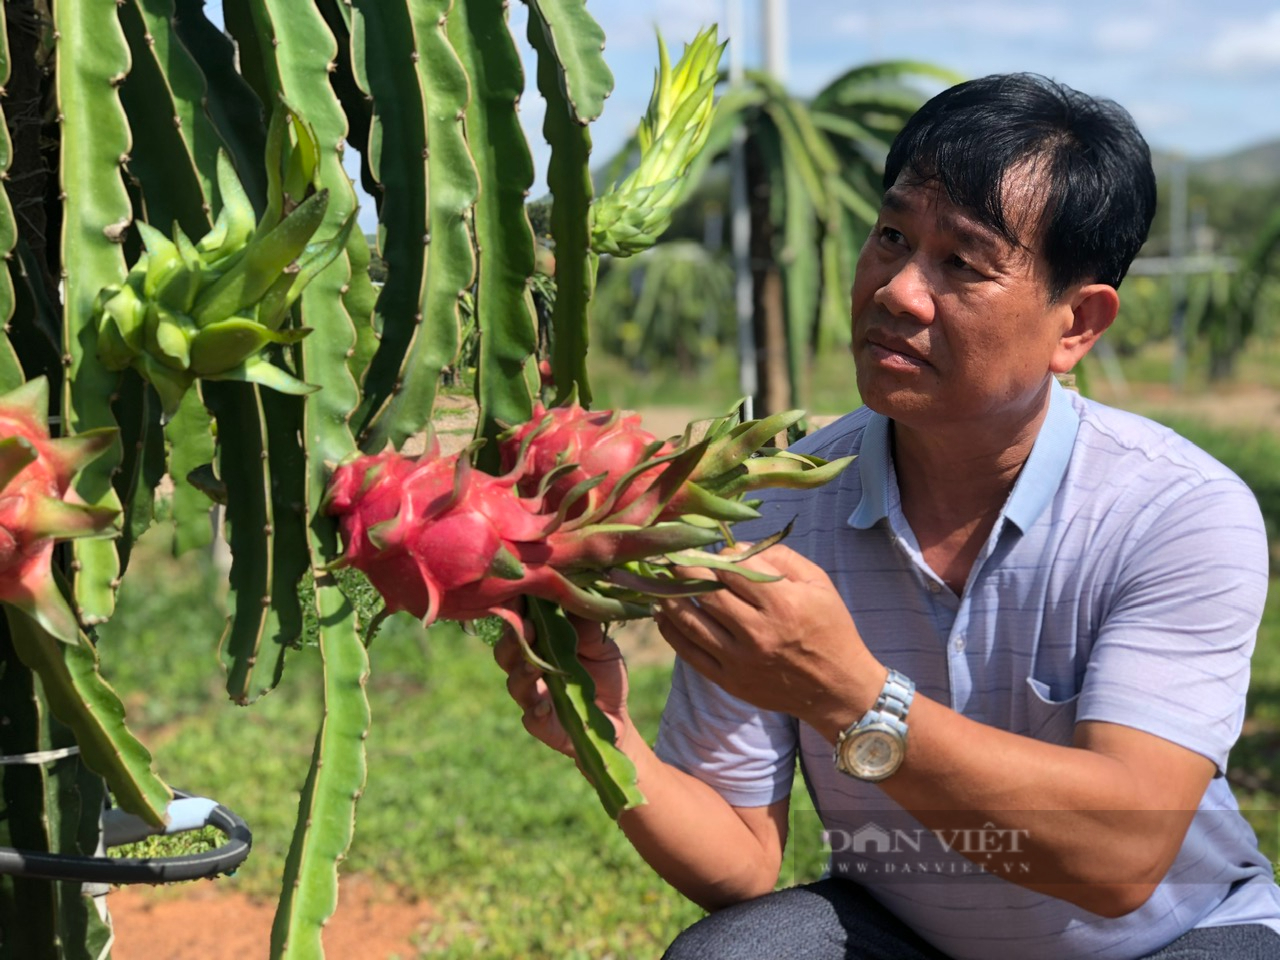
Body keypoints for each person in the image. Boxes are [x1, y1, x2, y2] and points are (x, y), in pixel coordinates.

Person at [495, 73, 1280, 959]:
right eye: (892, 236)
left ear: (1078, 324)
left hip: (1170, 938)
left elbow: (1121, 855)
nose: (898, 290)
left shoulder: (1175, 511)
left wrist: (849, 694)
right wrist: (609, 739)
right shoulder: (770, 509)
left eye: (963, 263)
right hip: (908, 936)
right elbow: (743, 864)